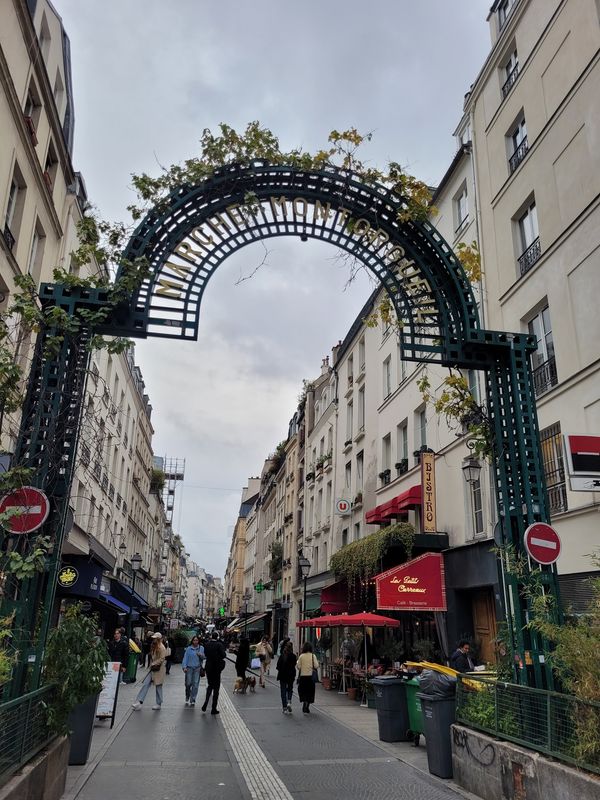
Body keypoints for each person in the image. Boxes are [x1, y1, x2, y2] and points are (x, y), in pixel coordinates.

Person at [132, 632, 167, 710]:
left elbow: (162, 659)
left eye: (155, 638)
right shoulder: (154, 646)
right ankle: (139, 701)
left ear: (158, 639)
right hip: (153, 669)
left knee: (158, 686)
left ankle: (158, 703)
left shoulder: (162, 647)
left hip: (159, 670)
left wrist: (153, 663)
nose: (153, 639)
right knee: (146, 684)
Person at [201, 632, 226, 715]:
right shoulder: (219, 645)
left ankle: (206, 702)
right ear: (217, 637)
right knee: (216, 688)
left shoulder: (207, 644)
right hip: (216, 668)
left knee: (210, 685)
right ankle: (213, 708)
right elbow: (223, 655)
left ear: (211, 637)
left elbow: (205, 654)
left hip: (208, 667)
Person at [182, 635, 205, 706]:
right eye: (194, 640)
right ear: (192, 641)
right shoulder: (189, 649)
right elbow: (185, 658)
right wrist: (184, 667)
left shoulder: (201, 648)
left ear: (199, 641)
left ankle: (193, 698)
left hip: (197, 668)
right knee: (188, 683)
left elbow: (204, 657)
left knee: (195, 684)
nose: (195, 642)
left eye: (197, 640)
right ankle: (187, 695)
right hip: (189, 668)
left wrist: (200, 655)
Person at [297, 641, 319, 714]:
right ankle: (307, 706)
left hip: (303, 677)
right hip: (311, 677)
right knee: (310, 692)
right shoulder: (313, 656)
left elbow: (298, 666)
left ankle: (304, 702)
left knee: (303, 691)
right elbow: (316, 666)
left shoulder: (301, 656)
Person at [277, 641, 297, 714]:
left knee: (283, 691)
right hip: (291, 675)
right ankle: (289, 701)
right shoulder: (294, 656)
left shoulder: (282, 656)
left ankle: (284, 708)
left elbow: (278, 666)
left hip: (282, 675)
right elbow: (294, 664)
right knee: (290, 689)